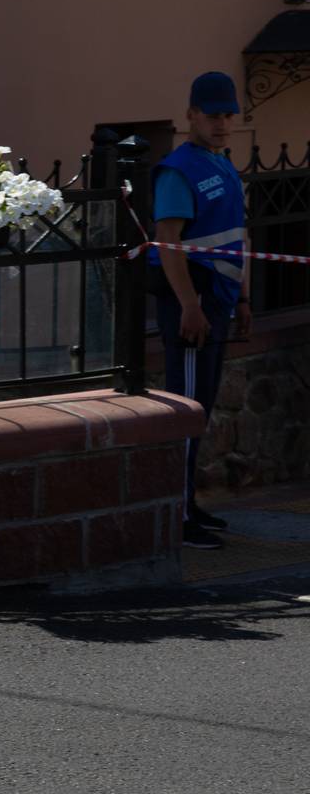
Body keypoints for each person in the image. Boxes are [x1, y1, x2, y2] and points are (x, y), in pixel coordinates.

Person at [147, 71, 252, 550]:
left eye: (228, 115)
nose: (222, 123)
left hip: (219, 302)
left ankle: (187, 503)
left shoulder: (222, 163)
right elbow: (168, 242)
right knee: (186, 410)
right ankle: (176, 515)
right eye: (213, 115)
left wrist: (244, 298)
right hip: (193, 303)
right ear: (191, 114)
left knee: (202, 408)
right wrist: (190, 304)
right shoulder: (179, 169)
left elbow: (235, 237)